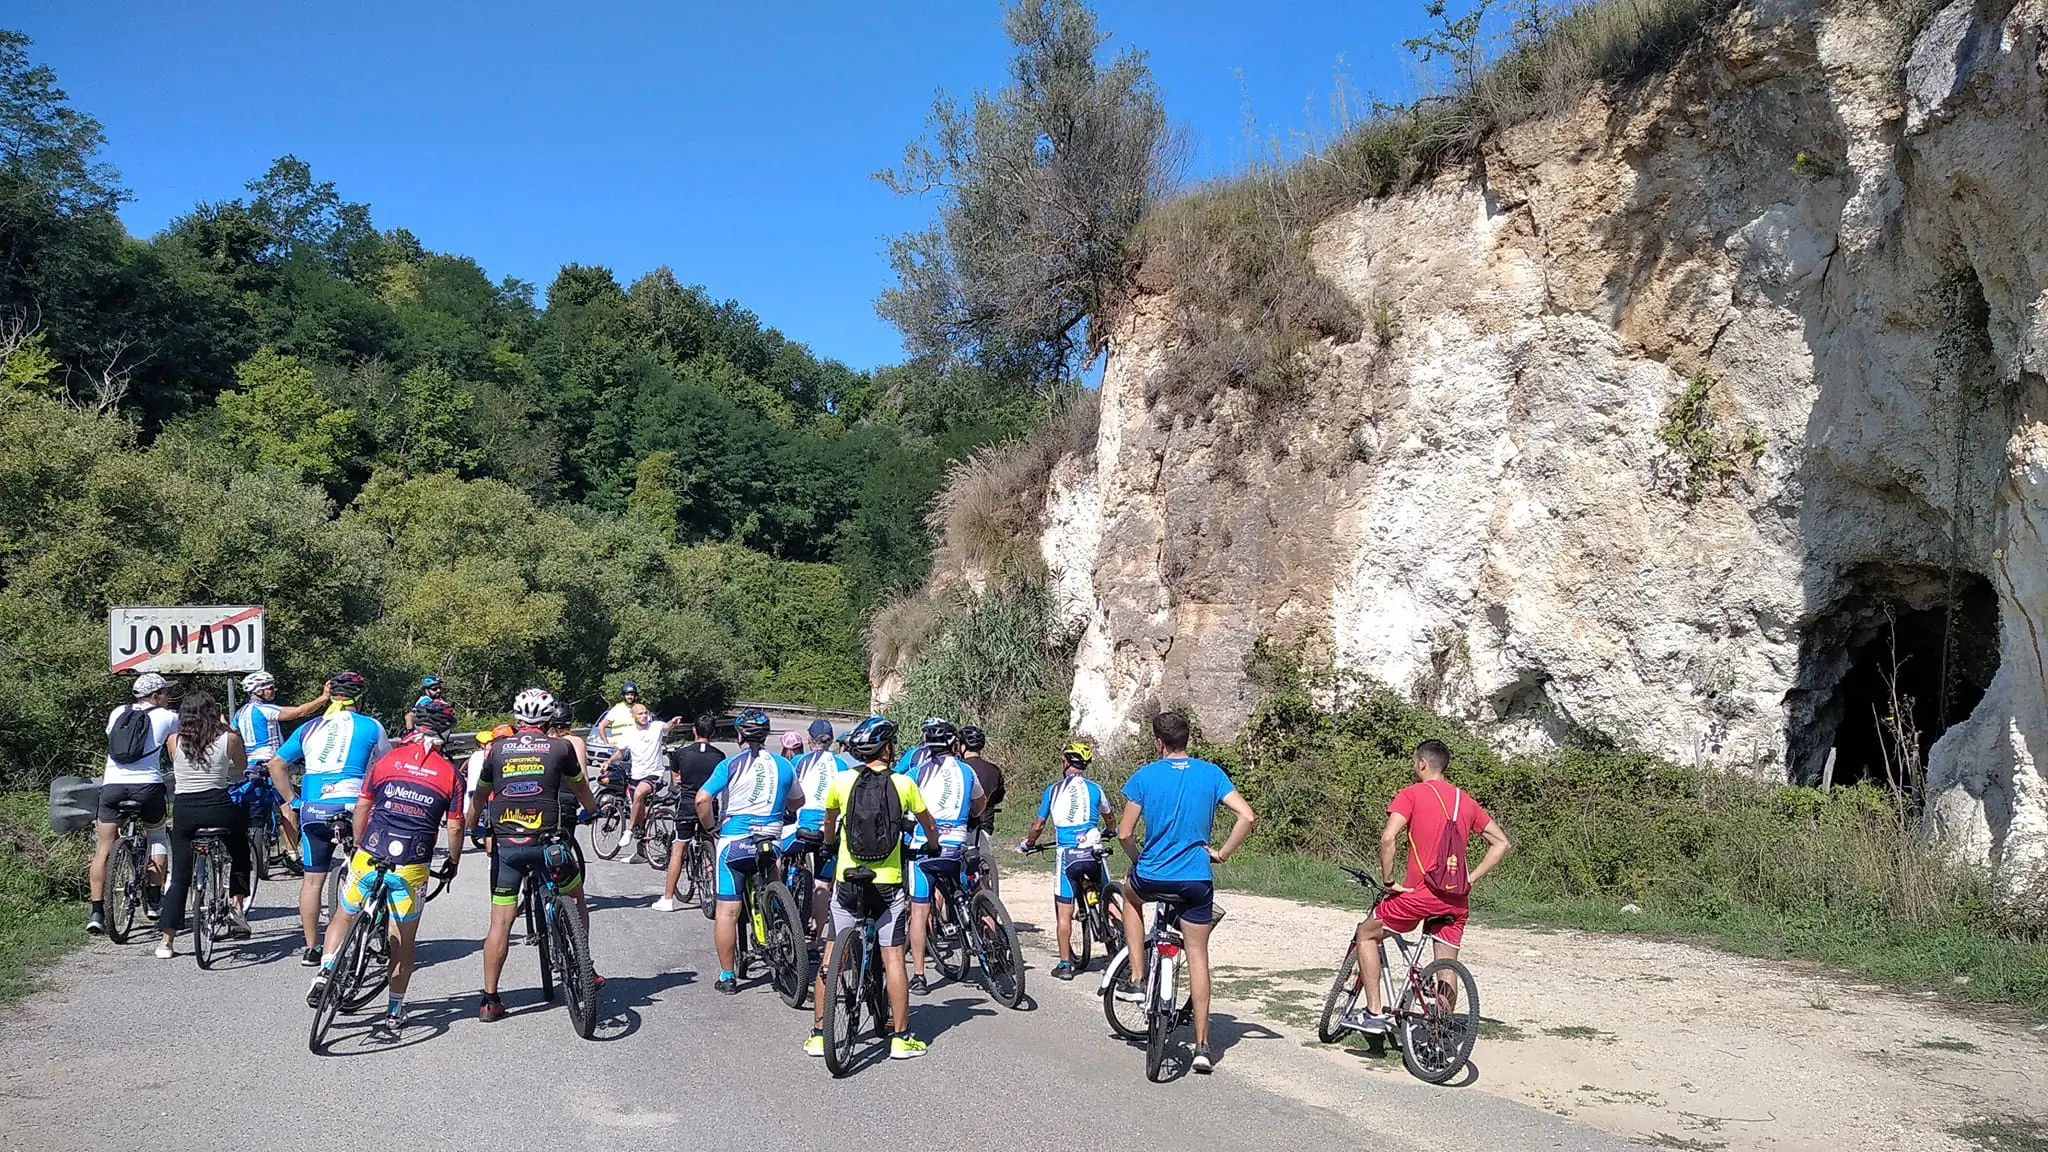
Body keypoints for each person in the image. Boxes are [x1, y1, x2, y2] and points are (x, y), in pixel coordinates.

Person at [307, 698, 467, 1039]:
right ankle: (394, 1011)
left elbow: (363, 805)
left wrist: (359, 843)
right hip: (411, 864)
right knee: (402, 941)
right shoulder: (450, 774)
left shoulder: (387, 760)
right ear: (447, 733)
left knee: (343, 915)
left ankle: (326, 970)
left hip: (371, 851)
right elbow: (455, 827)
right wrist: (453, 861)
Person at [1114, 710, 1257, 1075]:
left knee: (1131, 899)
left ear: (1158, 740)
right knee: (1197, 955)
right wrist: (1222, 853)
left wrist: (1138, 861)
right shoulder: (1211, 773)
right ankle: (1203, 1046)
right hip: (1195, 878)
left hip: (1152, 876)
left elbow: (1125, 833)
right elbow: (1248, 816)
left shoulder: (1144, 776)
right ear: (1187, 738)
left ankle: (1137, 976)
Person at [1341, 739, 1511, 1035]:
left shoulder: (1412, 794)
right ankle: (1439, 1030)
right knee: (1446, 964)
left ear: (1421, 763)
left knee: (1366, 934)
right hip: (1456, 899)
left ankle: (1373, 1013)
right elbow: (1501, 843)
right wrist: (1469, 878)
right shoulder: (1466, 801)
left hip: (1422, 894)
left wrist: (1389, 881)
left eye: (1413, 762)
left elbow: (1388, 838)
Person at [805, 716, 941, 1060]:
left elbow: (830, 823)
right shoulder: (904, 784)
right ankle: (900, 1037)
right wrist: (934, 844)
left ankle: (820, 1034)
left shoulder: (841, 781)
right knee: (893, 956)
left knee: (831, 952)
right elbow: (929, 824)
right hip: (887, 884)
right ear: (888, 748)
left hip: (848, 879)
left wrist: (831, 845)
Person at [473, 687, 601, 1023]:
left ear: (517, 720)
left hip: (508, 848)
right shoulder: (560, 747)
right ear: (547, 720)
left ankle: (490, 1000)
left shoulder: (497, 750)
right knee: (575, 897)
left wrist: (474, 826)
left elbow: (480, 797)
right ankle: (584, 963)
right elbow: (580, 788)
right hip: (547, 844)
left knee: (500, 922)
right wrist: (592, 809)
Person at [270, 672, 391, 965]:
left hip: (314, 809)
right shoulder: (371, 726)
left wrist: (294, 801)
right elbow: (387, 767)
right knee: (374, 871)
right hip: (354, 808)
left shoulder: (310, 727)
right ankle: (373, 937)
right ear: (359, 699)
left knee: (313, 881)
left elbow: (276, 764)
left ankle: (311, 948)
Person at [693, 709, 794, 993]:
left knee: (726, 911)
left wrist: (711, 827)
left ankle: (727, 977)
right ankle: (782, 924)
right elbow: (797, 801)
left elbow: (702, 799)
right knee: (772, 878)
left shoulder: (730, 764)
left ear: (739, 735)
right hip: (770, 839)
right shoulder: (785, 765)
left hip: (735, 842)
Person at [153, 692, 253, 957]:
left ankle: (166, 941)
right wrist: (228, 728)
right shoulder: (228, 739)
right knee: (241, 850)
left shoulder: (174, 741)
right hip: (219, 807)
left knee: (180, 877)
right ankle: (237, 905)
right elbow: (243, 768)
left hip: (185, 811)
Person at [88, 673, 178, 935]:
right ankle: (153, 899)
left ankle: (96, 912)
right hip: (148, 786)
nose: (167, 697)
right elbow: (175, 748)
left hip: (113, 786)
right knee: (157, 836)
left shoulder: (118, 712)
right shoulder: (168, 717)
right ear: (154, 696)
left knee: (104, 847)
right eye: (164, 692)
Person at [1020, 741, 1111, 980]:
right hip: (1093, 851)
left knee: (1064, 912)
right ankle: (1122, 942)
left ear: (1066, 763)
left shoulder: (1053, 790)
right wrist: (1109, 829)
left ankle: (1065, 964)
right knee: (1109, 897)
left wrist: (1028, 843)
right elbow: (1110, 818)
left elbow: (1038, 825)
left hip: (1068, 856)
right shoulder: (1095, 788)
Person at [905, 732, 984, 994]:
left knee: (919, 911)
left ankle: (918, 975)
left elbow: (901, 806)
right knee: (973, 890)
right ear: (953, 745)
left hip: (924, 849)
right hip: (957, 845)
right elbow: (980, 804)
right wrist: (970, 815)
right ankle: (992, 947)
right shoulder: (967, 771)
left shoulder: (916, 773)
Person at [231, 670, 328, 862]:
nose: (273, 690)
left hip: (251, 764)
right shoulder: (265, 709)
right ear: (258, 691)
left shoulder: (240, 713)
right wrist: (323, 698)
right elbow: (300, 712)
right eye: (269, 687)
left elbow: (232, 732)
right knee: (289, 805)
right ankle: (292, 854)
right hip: (272, 762)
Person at [653, 715, 725, 912]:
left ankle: (668, 899)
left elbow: (676, 779)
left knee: (679, 849)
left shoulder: (681, 754)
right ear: (714, 732)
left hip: (686, 804)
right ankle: (713, 888)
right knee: (708, 841)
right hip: (709, 805)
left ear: (694, 730)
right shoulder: (720, 756)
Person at [779, 719, 845, 927]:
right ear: (832, 741)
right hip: (829, 830)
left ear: (809, 740)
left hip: (802, 826)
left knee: (775, 852)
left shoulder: (799, 762)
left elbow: (787, 790)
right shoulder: (841, 765)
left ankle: (776, 895)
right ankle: (818, 936)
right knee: (822, 884)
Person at [602, 701, 680, 863]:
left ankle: (629, 830)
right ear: (633, 716)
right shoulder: (629, 733)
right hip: (636, 775)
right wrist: (608, 762)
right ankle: (641, 852)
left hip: (653, 775)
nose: (644, 716)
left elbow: (666, 727)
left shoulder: (656, 727)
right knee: (637, 812)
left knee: (639, 794)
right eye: (640, 713)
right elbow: (621, 752)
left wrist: (673, 722)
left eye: (646, 713)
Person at [957, 724, 1005, 891]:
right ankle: (986, 905)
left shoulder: (959, 769)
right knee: (982, 867)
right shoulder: (994, 770)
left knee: (960, 868)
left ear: (962, 746)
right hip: (985, 826)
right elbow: (999, 796)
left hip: (963, 825)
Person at [588, 681, 640, 762]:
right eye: (627, 694)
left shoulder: (638, 709)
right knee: (616, 773)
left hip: (635, 749)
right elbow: (601, 726)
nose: (630, 697)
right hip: (619, 750)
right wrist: (606, 743)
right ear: (623, 695)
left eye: (632, 695)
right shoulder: (617, 709)